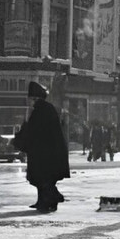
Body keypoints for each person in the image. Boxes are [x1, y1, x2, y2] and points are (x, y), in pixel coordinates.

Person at [15, 80, 70, 212]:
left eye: (30, 98)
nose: (28, 101)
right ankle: (44, 201)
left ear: (34, 98)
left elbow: (34, 131)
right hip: (47, 152)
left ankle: (52, 198)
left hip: (44, 154)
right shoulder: (45, 108)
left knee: (43, 179)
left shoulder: (40, 110)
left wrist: (21, 139)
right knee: (44, 179)